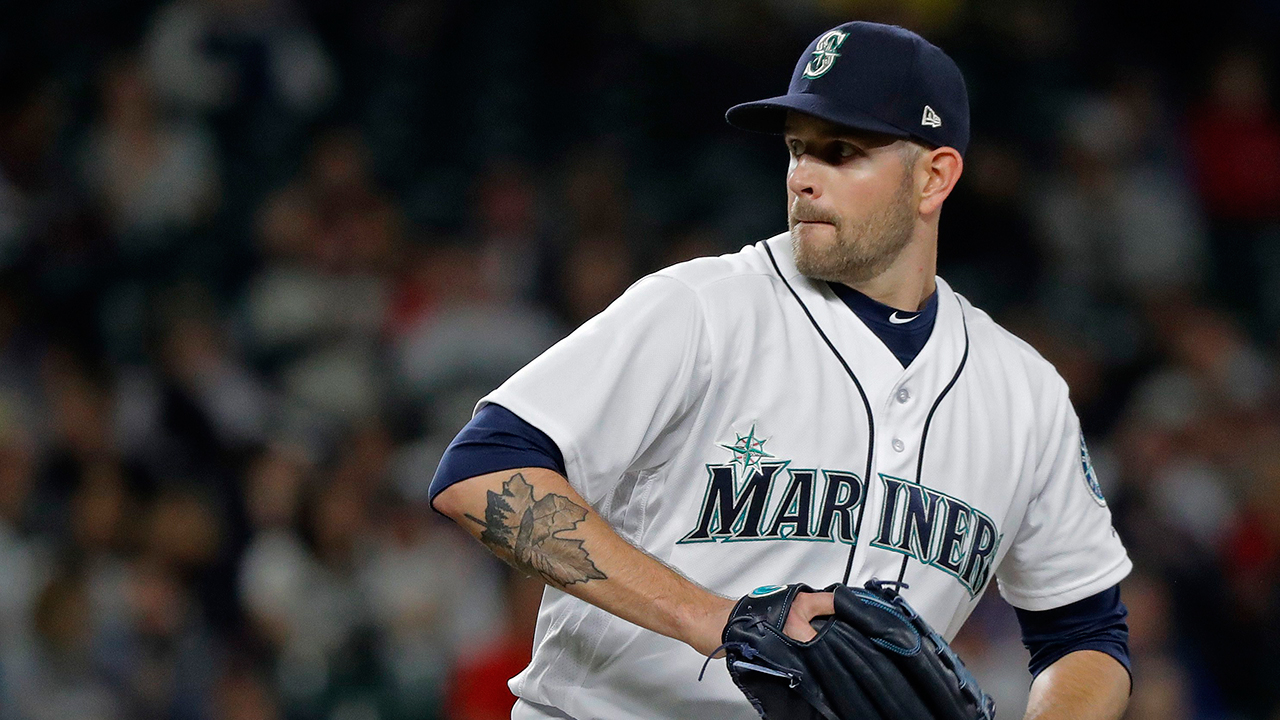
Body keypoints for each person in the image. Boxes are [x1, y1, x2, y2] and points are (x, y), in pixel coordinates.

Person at [430, 21, 1133, 720]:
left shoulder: (1023, 395)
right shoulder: (701, 309)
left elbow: (1087, 635)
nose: (803, 178)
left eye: (842, 152)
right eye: (798, 148)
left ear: (935, 176)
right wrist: (718, 621)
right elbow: (482, 471)